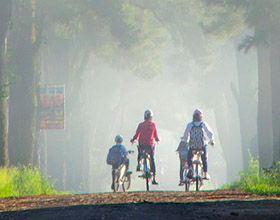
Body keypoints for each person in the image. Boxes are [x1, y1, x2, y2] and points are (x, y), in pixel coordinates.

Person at [181, 109, 215, 181]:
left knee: (189, 156)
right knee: (204, 158)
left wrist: (185, 141)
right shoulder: (203, 124)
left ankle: (190, 167)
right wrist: (212, 140)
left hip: (192, 146)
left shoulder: (190, 125)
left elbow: (186, 135)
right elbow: (209, 132)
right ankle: (205, 173)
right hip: (201, 146)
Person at [131, 110, 160, 185]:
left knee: (140, 152)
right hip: (150, 145)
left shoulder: (141, 125)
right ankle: (154, 178)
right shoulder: (153, 125)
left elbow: (137, 134)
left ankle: (139, 164)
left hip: (142, 145)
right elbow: (155, 135)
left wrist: (133, 140)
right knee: (152, 159)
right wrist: (157, 140)